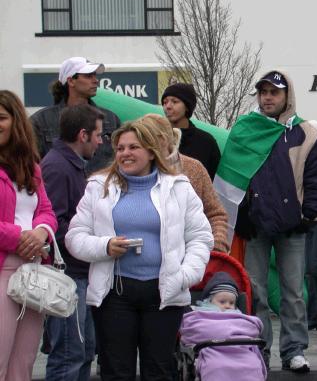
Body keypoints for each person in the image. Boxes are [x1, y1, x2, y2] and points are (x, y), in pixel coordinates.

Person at [65, 120, 214, 380]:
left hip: (164, 293)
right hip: (113, 294)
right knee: (116, 370)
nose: (125, 153)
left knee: (159, 371)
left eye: (133, 147)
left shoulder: (179, 186)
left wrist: (184, 276)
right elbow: (75, 237)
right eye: (120, 148)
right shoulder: (97, 186)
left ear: (152, 150)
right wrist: (104, 246)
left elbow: (201, 238)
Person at [222, 70, 317, 372]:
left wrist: (307, 214)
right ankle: (260, 348)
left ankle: (294, 350)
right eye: (264, 92)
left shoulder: (306, 132)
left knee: (293, 292)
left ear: (287, 97)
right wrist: (240, 214)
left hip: (292, 227)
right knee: (254, 291)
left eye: (275, 92)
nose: (268, 97)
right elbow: (232, 175)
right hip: (255, 226)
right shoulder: (245, 129)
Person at [40, 104, 104, 381]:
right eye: (99, 135)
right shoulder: (56, 167)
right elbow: (52, 223)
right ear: (83, 134)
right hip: (66, 279)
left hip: (80, 275)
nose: (102, 141)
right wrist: (92, 242)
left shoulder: (72, 166)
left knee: (84, 352)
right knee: (68, 356)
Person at [0, 90, 58, 381]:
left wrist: (41, 232)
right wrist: (20, 237)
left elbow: (47, 210)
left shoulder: (31, 167)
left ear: (16, 122)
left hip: (34, 273)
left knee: (23, 363)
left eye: (1, 118)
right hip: (3, 268)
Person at [138, 114, 229, 252]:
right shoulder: (132, 171)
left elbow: (216, 214)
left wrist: (216, 246)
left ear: (163, 139)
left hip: (191, 257)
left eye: (146, 139)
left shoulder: (193, 168)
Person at [31, 56, 121, 174]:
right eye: (88, 76)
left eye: (95, 75)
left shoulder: (111, 119)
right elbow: (30, 164)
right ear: (71, 81)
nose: (95, 80)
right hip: (61, 189)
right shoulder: (40, 121)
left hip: (103, 190)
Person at [182, 271, 267, 381]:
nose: (227, 306)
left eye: (231, 303)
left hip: (240, 349)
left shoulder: (239, 317)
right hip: (212, 350)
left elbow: (250, 328)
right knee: (215, 365)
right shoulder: (200, 315)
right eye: (222, 302)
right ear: (209, 301)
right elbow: (194, 329)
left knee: (253, 363)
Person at [161, 83, 221, 179]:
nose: (167, 106)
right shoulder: (157, 138)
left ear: (187, 107)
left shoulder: (206, 142)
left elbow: (214, 182)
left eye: (175, 101)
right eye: (165, 102)